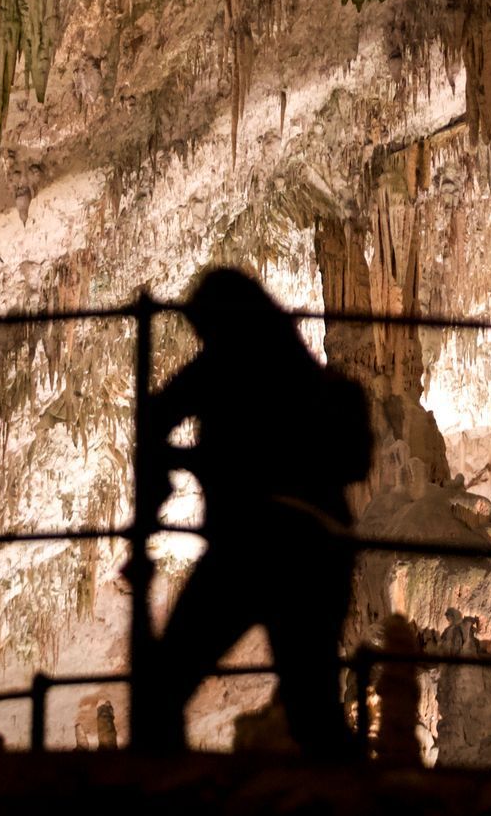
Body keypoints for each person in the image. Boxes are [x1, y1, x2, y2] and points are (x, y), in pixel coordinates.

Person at [141, 267, 372, 760]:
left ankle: (166, 793)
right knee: (314, 711)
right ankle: (359, 800)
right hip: (320, 550)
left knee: (165, 682)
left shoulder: (223, 363)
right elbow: (355, 461)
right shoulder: (314, 378)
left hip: (251, 545)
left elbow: (157, 416)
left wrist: (175, 465)